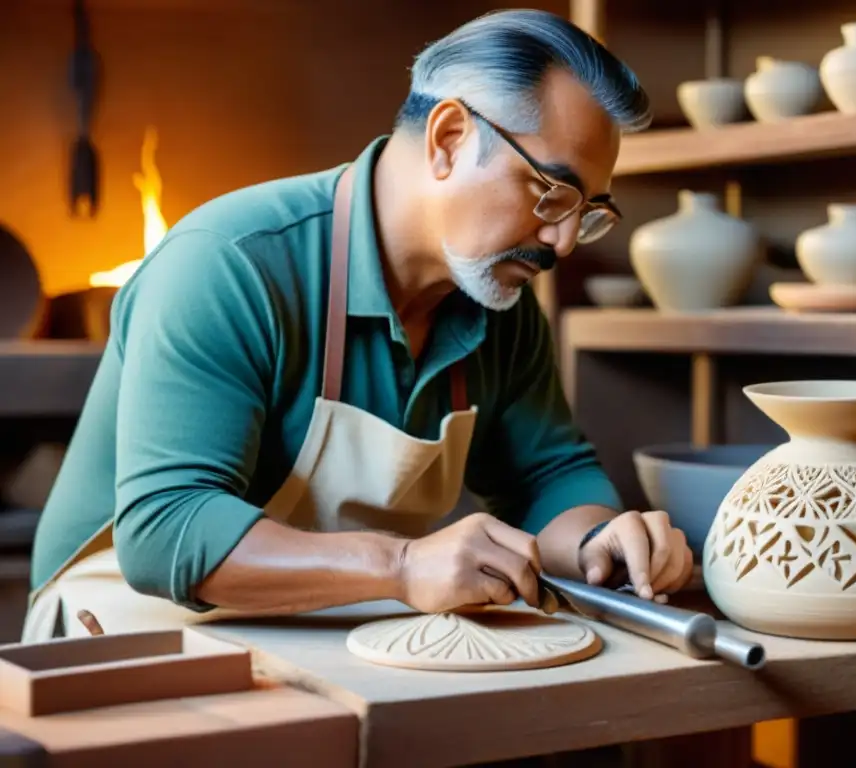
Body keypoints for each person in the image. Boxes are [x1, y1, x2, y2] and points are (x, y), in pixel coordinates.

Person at [23, 8, 693, 642]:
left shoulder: (498, 301)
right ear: (450, 139)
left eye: (591, 211)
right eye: (552, 194)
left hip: (332, 626)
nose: (566, 240)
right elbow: (167, 531)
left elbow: (548, 475)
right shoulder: (230, 265)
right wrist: (400, 566)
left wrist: (598, 542)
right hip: (129, 626)